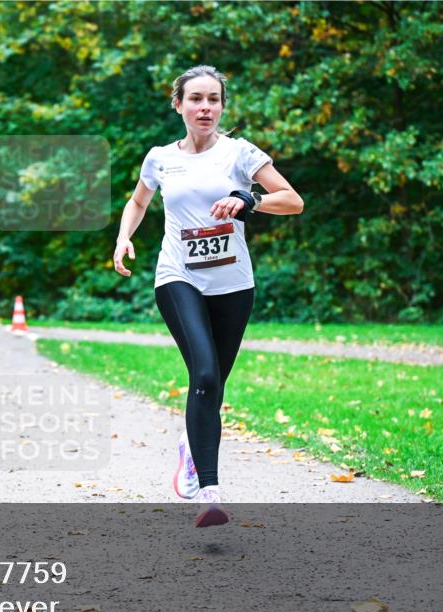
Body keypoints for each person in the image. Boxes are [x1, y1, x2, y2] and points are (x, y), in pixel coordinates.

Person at [112, 65, 303, 527]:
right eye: (195, 99)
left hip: (234, 284)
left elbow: (293, 200)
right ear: (178, 104)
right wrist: (123, 237)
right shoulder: (160, 158)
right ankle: (210, 494)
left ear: (221, 107)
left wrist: (250, 200)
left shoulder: (240, 153)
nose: (205, 108)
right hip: (178, 276)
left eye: (213, 99)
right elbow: (138, 201)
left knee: (213, 385)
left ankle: (190, 445)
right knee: (202, 372)